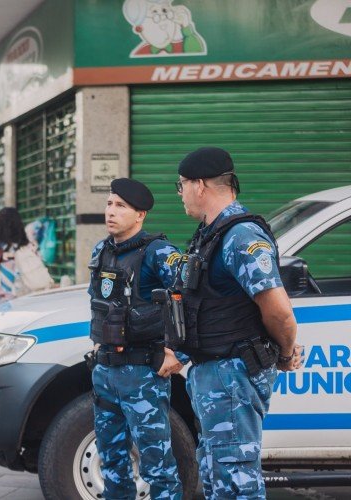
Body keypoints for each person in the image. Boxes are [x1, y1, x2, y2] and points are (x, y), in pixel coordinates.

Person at [175, 147, 302, 498]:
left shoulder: (241, 236)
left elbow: (278, 312)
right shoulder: (211, 234)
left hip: (232, 374)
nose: (181, 193)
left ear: (199, 185)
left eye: (181, 184)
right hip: (214, 374)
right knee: (218, 476)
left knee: (235, 480)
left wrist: (286, 352)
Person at [86, 178, 184, 499]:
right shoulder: (102, 250)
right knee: (112, 461)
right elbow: (98, 303)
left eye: (121, 206)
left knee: (157, 467)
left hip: (142, 374)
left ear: (140, 215)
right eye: (109, 204)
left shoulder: (158, 252)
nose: (111, 212)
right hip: (106, 372)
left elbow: (188, 298)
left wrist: (176, 352)